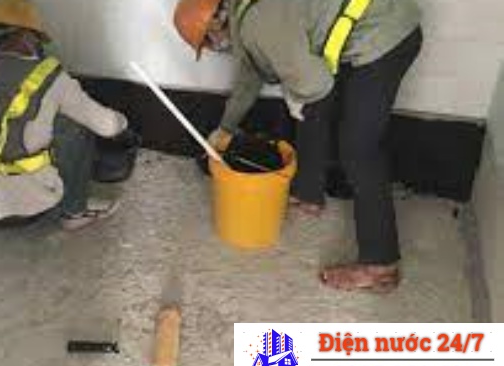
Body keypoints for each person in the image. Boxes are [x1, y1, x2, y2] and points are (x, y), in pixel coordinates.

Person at [174, 0, 422, 291]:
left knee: (358, 149)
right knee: (312, 103)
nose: (214, 48)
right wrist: (225, 128)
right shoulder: (248, 14)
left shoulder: (257, 24)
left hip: (386, 33)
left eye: (208, 41)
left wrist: (297, 99)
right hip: (378, 17)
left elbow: (316, 84)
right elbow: (250, 76)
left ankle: (380, 266)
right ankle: (309, 194)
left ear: (216, 21)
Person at [0, 0, 130, 230]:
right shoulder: (52, 78)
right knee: (73, 125)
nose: (38, 46)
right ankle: (74, 213)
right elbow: (108, 126)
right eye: (37, 39)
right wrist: (123, 124)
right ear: (26, 37)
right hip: (30, 209)